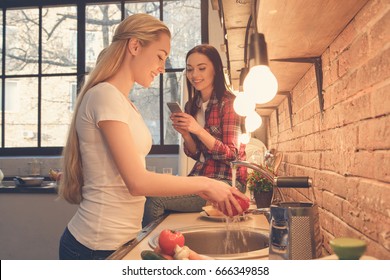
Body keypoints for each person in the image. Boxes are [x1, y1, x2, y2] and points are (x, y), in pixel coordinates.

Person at [58, 14, 247, 260]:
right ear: (135, 46)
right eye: (160, 56)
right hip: (95, 245)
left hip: (123, 239)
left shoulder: (124, 103)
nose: (162, 67)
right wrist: (207, 184)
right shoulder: (105, 95)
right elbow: (138, 183)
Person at [143, 44, 247, 227]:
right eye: (190, 69)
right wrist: (186, 134)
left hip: (226, 182)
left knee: (156, 200)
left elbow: (233, 156)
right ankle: (172, 248)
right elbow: (195, 153)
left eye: (201, 68)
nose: (194, 75)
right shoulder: (192, 105)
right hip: (200, 179)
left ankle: (155, 252)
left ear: (215, 68)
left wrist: (198, 130)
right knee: (155, 192)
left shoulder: (229, 104)